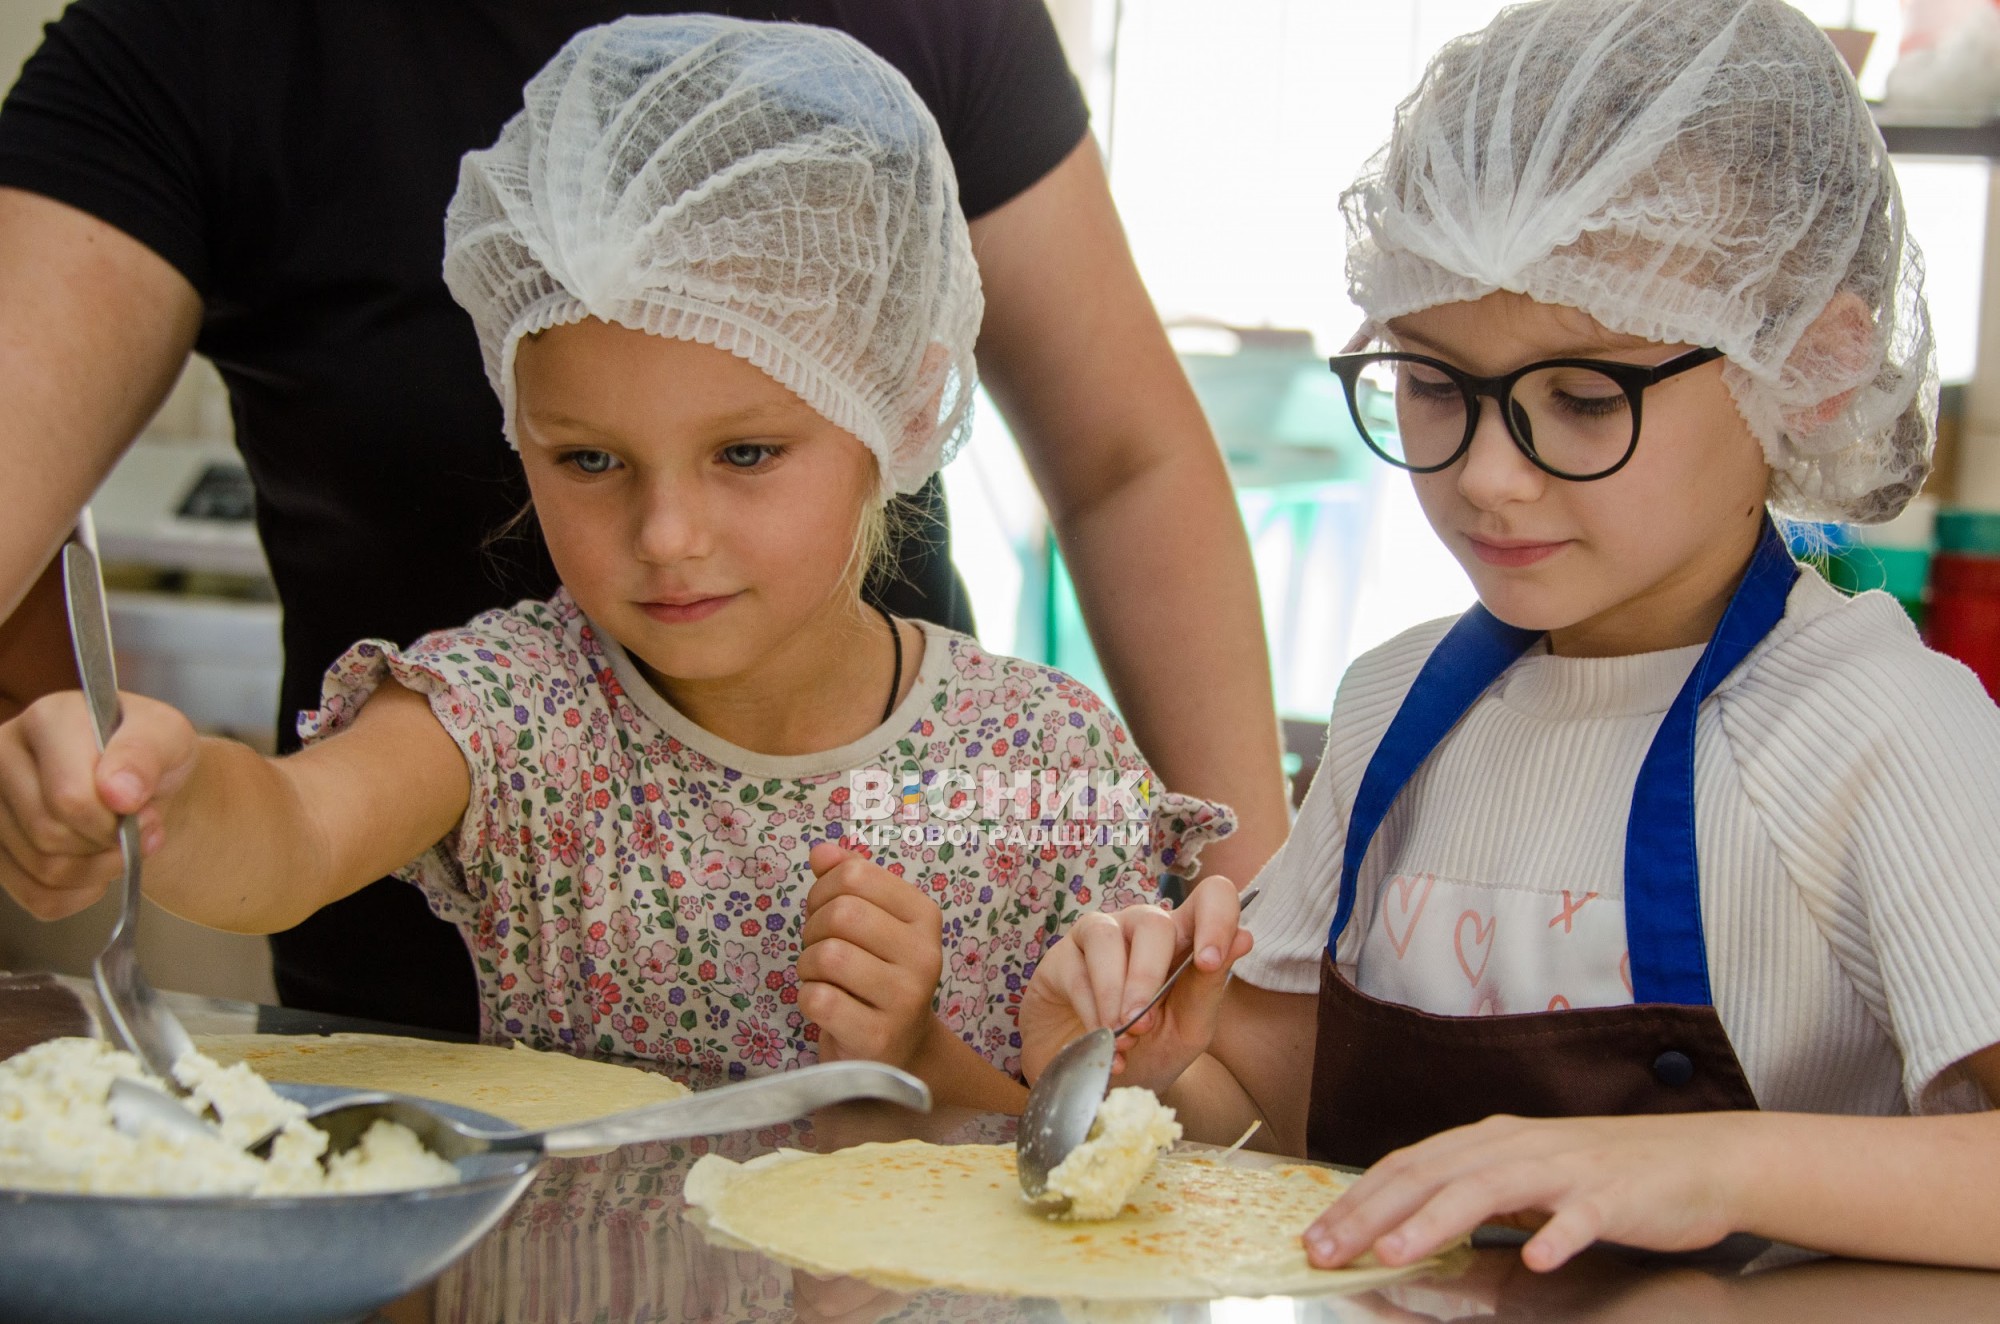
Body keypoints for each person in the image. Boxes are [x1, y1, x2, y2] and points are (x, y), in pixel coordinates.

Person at [0, 16, 1232, 1106]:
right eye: (588, 461)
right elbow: (295, 834)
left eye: (745, 452)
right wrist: (165, 796)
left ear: (895, 414)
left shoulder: (1044, 767)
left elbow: (1105, 1153)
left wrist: (918, 1055)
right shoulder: (521, 716)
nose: (665, 536)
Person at [1019, 0, 2000, 1272]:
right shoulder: (1395, 705)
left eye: (1580, 399)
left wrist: (1699, 1165)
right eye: (1432, 384)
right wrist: (1131, 1061)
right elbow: (1278, 1133)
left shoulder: (1880, 732)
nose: (1485, 474)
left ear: (1802, 362)